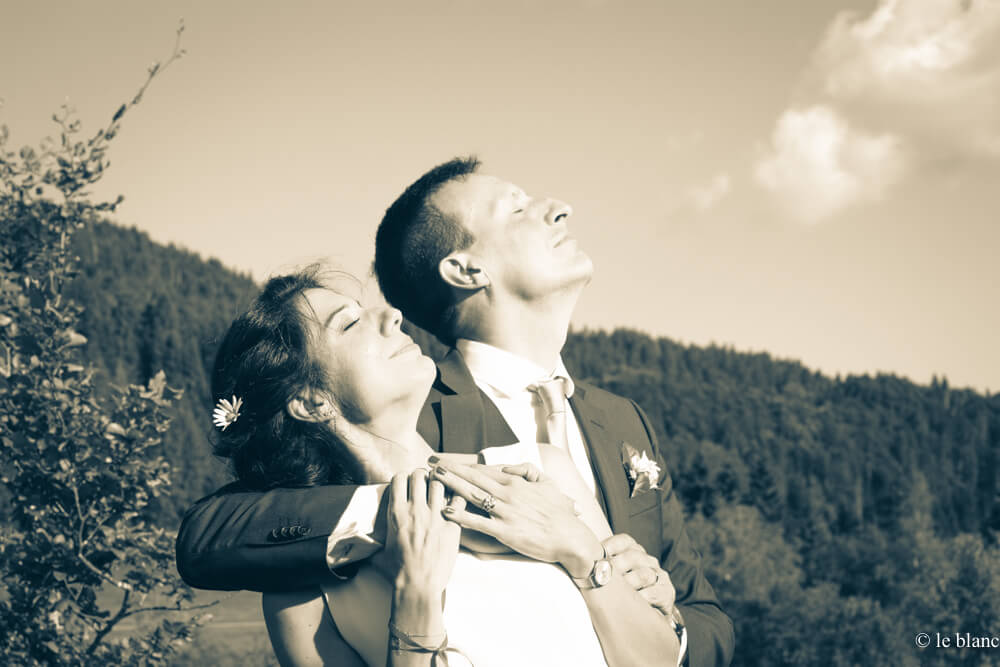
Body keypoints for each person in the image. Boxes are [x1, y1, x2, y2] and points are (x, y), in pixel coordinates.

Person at [177, 157, 734, 666]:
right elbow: (212, 534)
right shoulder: (399, 420)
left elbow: (698, 616)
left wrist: (623, 584)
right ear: (465, 269)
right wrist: (410, 520)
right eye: (517, 208)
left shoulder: (608, 430)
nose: (559, 207)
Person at [210, 266, 674, 665]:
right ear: (311, 402)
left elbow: (660, 659)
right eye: (350, 324)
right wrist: (415, 599)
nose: (390, 315)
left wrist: (578, 550)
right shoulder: (304, 599)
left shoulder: (539, 470)